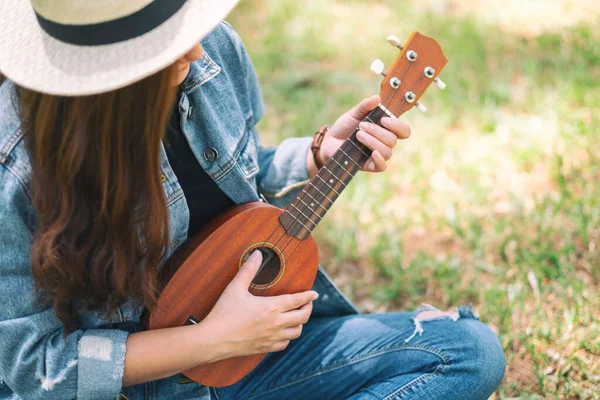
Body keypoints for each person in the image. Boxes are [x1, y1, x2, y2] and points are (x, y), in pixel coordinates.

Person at [0, 1, 505, 399]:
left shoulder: (211, 47)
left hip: (256, 355)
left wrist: (317, 154)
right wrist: (213, 340)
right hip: (135, 389)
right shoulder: (17, 165)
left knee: (469, 351)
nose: (196, 52)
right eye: (164, 43)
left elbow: (236, 177)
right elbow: (36, 367)